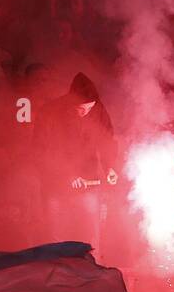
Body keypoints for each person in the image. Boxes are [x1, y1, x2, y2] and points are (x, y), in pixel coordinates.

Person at [35, 72, 119, 253]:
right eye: (81, 109)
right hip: (55, 187)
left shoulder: (98, 110)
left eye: (89, 109)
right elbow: (42, 152)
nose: (86, 113)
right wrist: (66, 175)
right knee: (57, 237)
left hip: (88, 184)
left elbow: (107, 139)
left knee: (91, 236)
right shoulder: (50, 113)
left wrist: (110, 166)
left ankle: (93, 275)